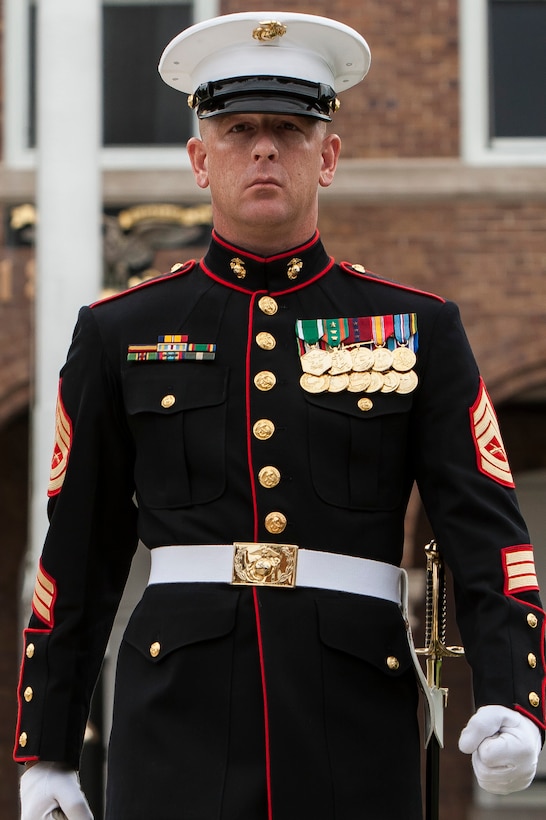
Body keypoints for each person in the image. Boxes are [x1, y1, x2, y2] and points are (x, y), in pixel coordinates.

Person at [15, 10, 545, 820]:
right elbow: (78, 553)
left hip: (355, 713)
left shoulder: (416, 327)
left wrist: (514, 693)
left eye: (291, 129)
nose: (265, 148)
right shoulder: (121, 331)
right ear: (200, 159)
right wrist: (47, 747)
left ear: (327, 156)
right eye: (237, 129)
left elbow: (486, 532)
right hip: (174, 714)